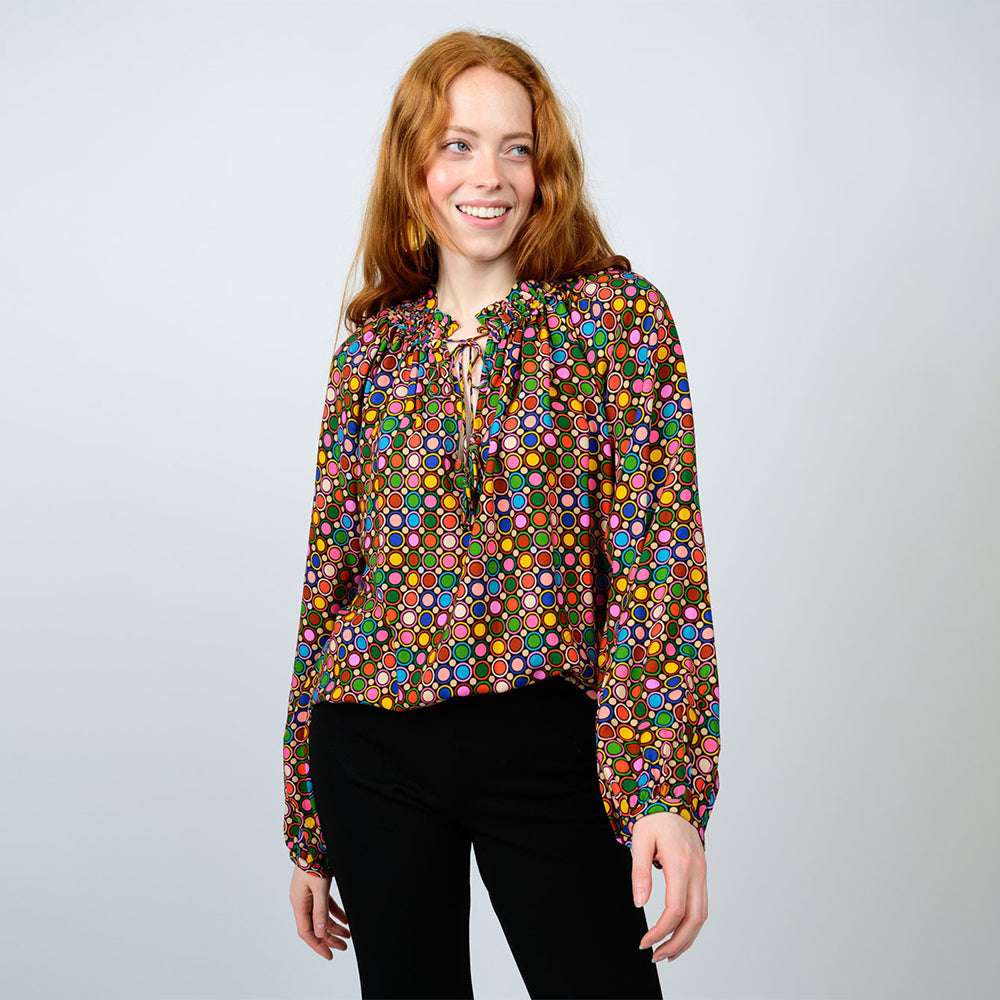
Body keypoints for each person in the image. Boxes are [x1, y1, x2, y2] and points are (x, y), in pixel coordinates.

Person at [282, 29, 720, 1000]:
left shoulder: (615, 322)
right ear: (414, 170)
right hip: (371, 745)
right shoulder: (370, 355)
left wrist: (664, 790)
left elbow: (659, 565)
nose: (489, 175)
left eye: (515, 148)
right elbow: (330, 585)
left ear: (543, 169)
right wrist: (308, 825)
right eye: (459, 145)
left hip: (545, 740)